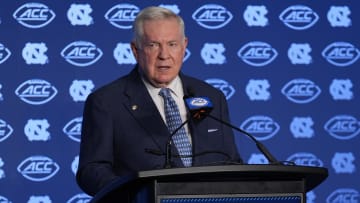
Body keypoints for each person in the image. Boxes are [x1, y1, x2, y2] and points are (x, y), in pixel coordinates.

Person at [76, 6, 242, 196]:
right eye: (153, 45)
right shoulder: (107, 102)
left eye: (172, 44)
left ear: (184, 46)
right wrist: (133, 194)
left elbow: (232, 161)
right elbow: (91, 171)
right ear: (136, 50)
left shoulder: (211, 97)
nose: (164, 55)